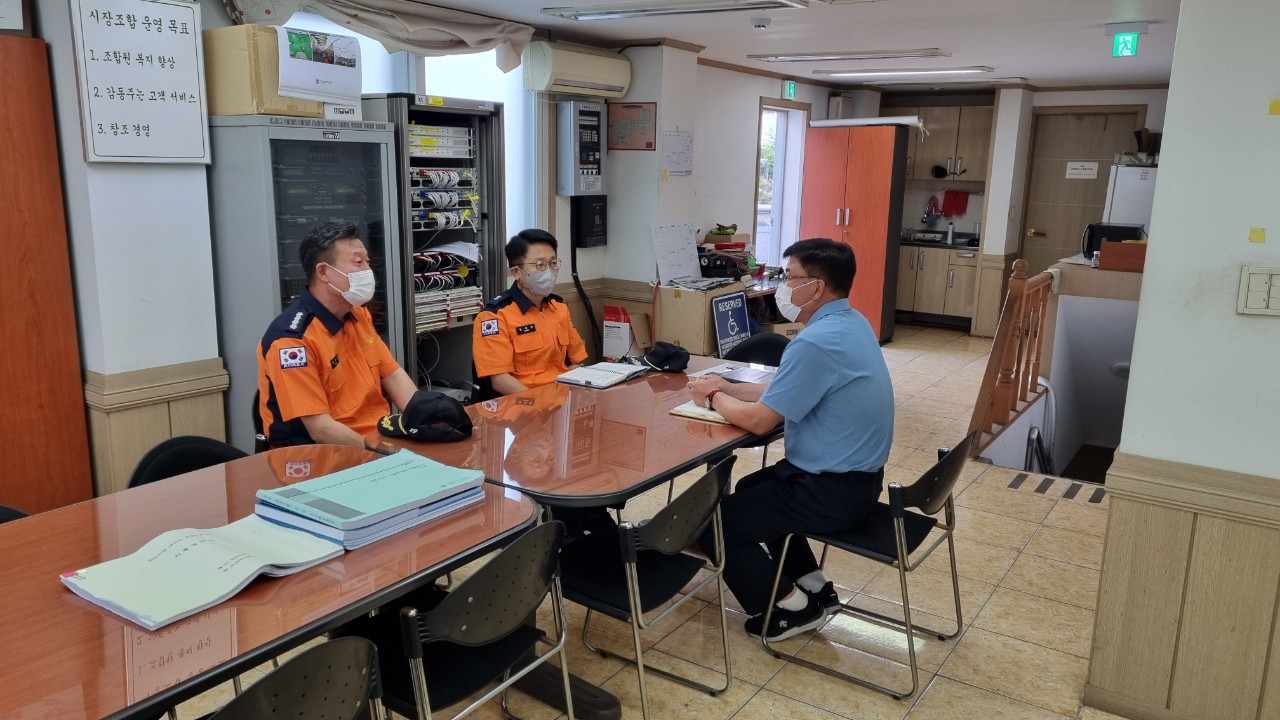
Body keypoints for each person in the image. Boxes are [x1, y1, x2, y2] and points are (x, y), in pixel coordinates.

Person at [687, 237, 894, 641]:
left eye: (790, 277)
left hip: (831, 492)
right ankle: (812, 584)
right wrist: (726, 386)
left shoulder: (816, 342)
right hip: (856, 482)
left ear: (816, 287)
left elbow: (760, 421)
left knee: (712, 524)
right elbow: (787, 388)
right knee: (753, 487)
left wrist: (713, 397)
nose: (783, 285)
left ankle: (790, 609)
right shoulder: (851, 324)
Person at [258, 221, 417, 448]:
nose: (367, 271)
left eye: (368, 262)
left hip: (376, 440)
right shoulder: (292, 342)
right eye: (358, 262)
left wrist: (423, 418)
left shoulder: (359, 314)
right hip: (320, 455)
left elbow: (392, 375)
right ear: (323, 272)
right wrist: (382, 454)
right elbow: (321, 429)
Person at [472, 229, 588, 396]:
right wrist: (541, 403)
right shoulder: (494, 316)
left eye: (553, 263)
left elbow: (576, 361)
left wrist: (566, 395)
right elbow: (500, 381)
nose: (548, 271)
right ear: (516, 272)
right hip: (521, 404)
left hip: (560, 399)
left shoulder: (559, 308)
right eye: (540, 265)